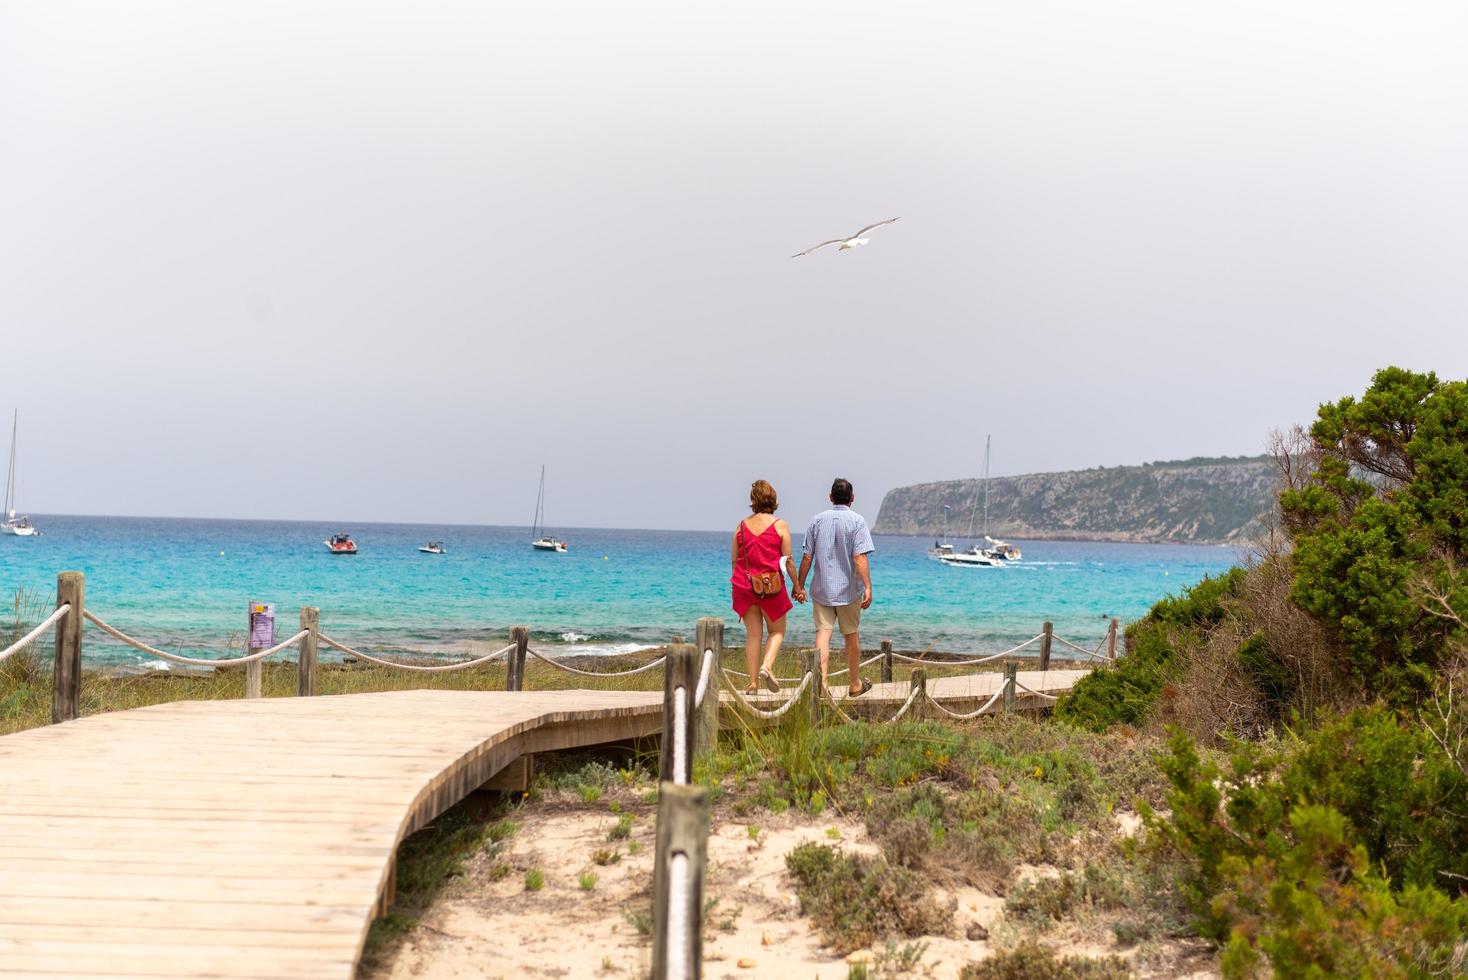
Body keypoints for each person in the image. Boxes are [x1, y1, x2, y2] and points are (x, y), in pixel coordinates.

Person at [795, 477, 875, 696]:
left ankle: (822, 685)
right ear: (852, 499)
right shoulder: (857, 521)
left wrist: (799, 585)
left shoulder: (816, 520)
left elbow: (807, 557)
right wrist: (867, 586)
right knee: (851, 635)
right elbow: (859, 558)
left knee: (823, 633)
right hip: (849, 591)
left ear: (830, 497)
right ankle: (855, 684)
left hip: (822, 590)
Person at [730, 479, 798, 695]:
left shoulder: (740, 526)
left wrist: (743, 581)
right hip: (771, 587)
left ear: (753, 500)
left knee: (753, 635)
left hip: (745, 586)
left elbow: (734, 561)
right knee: (777, 631)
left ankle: (752, 684)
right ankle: (766, 667)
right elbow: (787, 561)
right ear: (774, 499)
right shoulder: (780, 525)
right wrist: (797, 585)